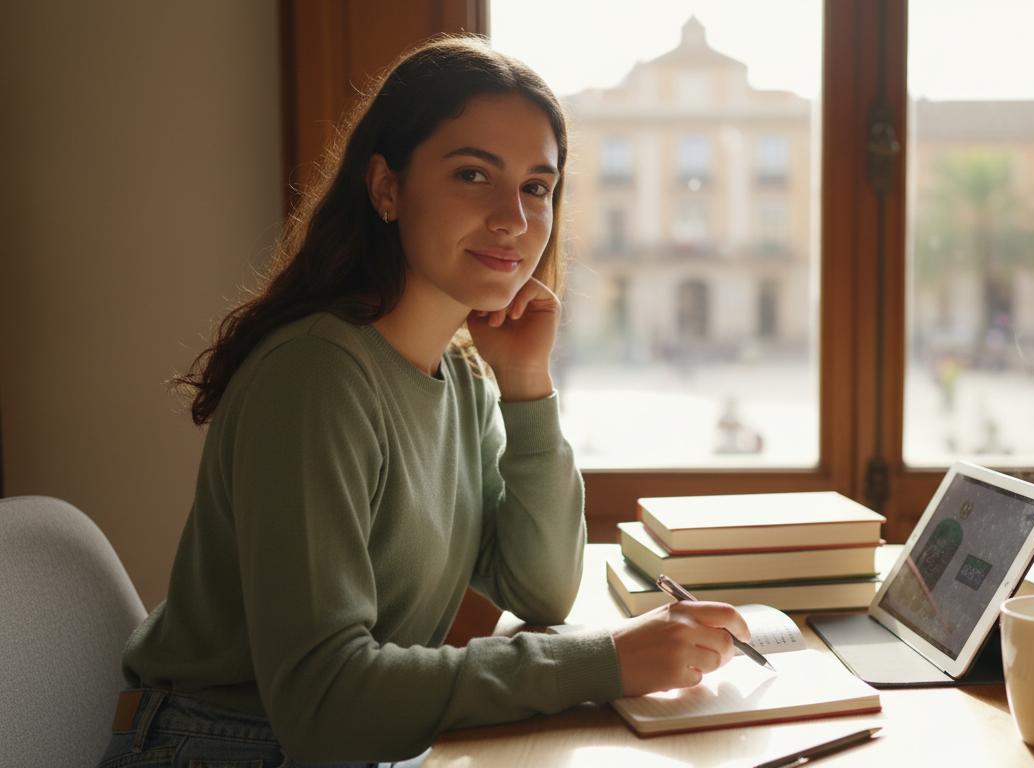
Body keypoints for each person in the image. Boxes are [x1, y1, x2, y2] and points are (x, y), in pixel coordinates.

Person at [98, 36, 750, 768]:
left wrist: (525, 384)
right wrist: (607, 662)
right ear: (386, 188)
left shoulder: (463, 376)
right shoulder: (316, 376)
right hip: (223, 748)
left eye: (537, 187)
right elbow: (322, 703)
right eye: (473, 175)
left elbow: (541, 588)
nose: (514, 218)